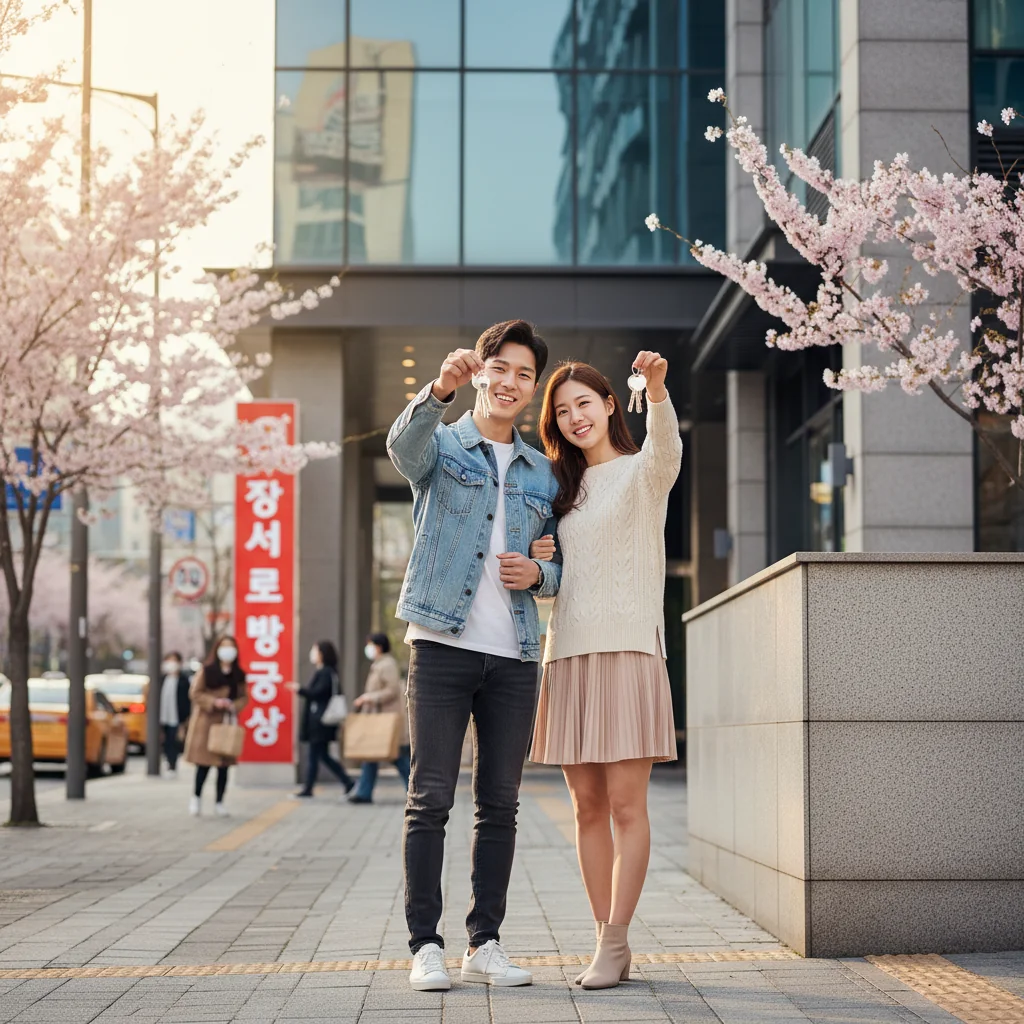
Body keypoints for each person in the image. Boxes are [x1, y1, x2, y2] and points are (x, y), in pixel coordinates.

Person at [387, 320, 561, 992]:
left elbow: (568, 562)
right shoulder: (442, 445)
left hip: (515, 654)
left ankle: (484, 941)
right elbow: (400, 449)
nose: (511, 382)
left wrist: (541, 576)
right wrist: (438, 391)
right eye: (501, 368)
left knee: (501, 803)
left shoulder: (542, 473)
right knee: (429, 798)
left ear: (532, 386)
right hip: (440, 644)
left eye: (525, 373)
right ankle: (424, 945)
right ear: (481, 370)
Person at [529, 352, 682, 990]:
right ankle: (605, 940)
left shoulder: (645, 472)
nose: (573, 418)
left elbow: (667, 447)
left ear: (609, 404)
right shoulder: (560, 495)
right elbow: (554, 590)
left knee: (625, 806)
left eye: (583, 404)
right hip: (567, 653)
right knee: (586, 807)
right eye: (561, 412)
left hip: (628, 650)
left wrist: (658, 389)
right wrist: (541, 565)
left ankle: (616, 939)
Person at [183, 636, 250, 817]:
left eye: (231, 647)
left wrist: (232, 705)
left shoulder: (239, 675)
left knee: (223, 767)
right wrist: (214, 702)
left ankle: (219, 802)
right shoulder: (207, 671)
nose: (228, 651)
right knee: (203, 765)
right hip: (207, 724)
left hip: (226, 724)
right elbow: (195, 693)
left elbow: (244, 697)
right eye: (224, 647)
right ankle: (196, 798)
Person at [348, 633, 410, 804]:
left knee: (398, 757)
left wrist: (369, 698)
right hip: (379, 720)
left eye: (371, 645)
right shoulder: (379, 664)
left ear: (379, 646)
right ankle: (364, 792)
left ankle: (415, 791)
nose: (368, 648)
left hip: (386, 721)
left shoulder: (387, 664)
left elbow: (391, 690)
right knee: (371, 755)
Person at [289, 640, 353, 798]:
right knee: (322, 755)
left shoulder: (325, 672)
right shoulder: (327, 672)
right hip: (321, 721)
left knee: (315, 755)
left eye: (315, 650)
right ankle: (346, 781)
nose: (313, 653)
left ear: (322, 654)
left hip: (320, 721)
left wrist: (300, 689)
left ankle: (310, 788)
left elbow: (317, 693)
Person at [159, 651, 191, 778]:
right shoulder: (161, 679)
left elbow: (187, 701)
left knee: (174, 741)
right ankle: (167, 762)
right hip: (163, 715)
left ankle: (172, 764)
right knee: (165, 741)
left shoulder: (184, 680)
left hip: (177, 716)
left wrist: (185, 719)